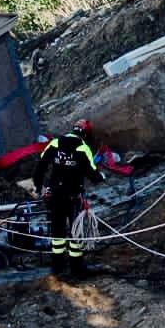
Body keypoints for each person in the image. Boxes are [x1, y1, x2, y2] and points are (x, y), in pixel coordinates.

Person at [34, 119, 103, 278]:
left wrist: (39, 187)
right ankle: (76, 268)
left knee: (57, 230)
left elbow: (41, 166)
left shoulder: (55, 143)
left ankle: (57, 267)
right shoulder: (82, 147)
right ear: (85, 134)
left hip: (55, 195)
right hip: (73, 196)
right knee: (76, 231)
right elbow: (92, 173)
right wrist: (100, 178)